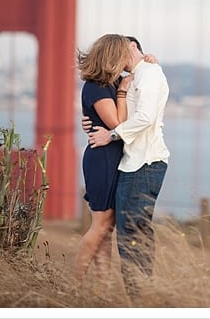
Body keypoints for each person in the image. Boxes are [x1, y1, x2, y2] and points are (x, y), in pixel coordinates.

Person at [86, 35, 170, 299]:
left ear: (133, 48)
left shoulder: (150, 73)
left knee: (133, 233)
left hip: (144, 164)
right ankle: (137, 297)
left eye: (118, 51)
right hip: (131, 163)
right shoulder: (133, 76)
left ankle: (141, 297)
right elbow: (116, 112)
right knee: (127, 233)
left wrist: (110, 136)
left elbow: (145, 117)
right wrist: (89, 120)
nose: (113, 59)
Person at [74, 34, 134, 281]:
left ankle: (103, 287)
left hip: (109, 156)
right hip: (103, 159)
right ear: (112, 56)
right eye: (123, 54)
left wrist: (151, 61)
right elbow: (118, 124)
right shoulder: (97, 87)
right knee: (100, 225)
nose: (126, 59)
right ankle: (73, 285)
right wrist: (122, 93)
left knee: (106, 228)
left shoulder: (109, 83)